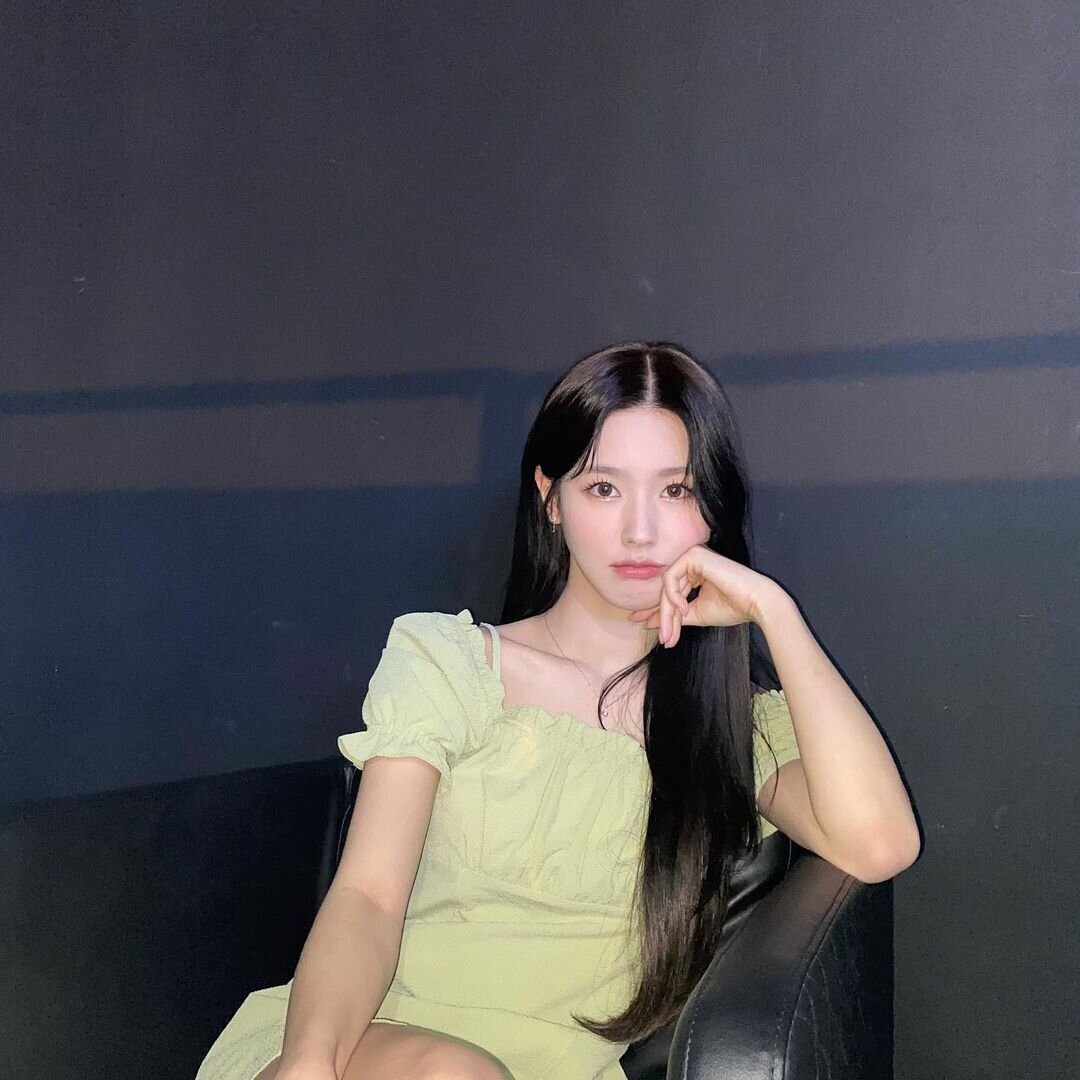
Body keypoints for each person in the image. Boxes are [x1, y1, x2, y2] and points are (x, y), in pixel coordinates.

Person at [197, 341, 920, 1080]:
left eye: (675, 490)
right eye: (604, 488)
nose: (640, 531)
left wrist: (775, 613)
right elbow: (368, 898)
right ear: (551, 497)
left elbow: (881, 845)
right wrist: (308, 1063)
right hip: (362, 1047)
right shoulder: (452, 663)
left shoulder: (733, 729)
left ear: (711, 510)